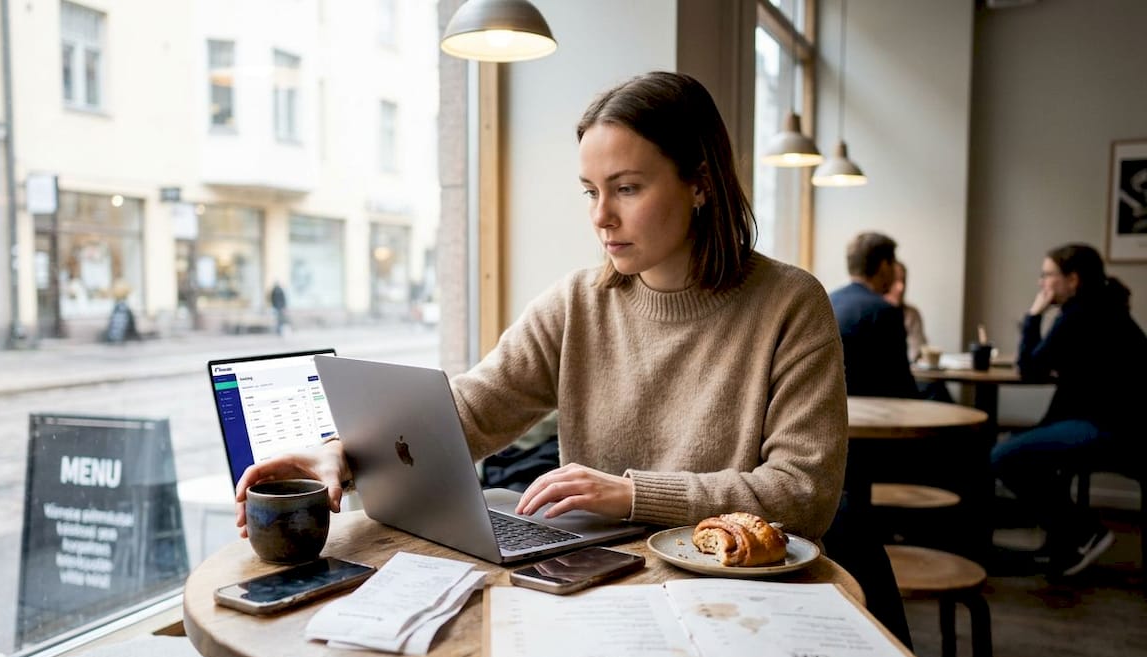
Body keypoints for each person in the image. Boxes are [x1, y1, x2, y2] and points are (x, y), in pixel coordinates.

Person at [235, 71, 847, 545]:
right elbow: (472, 409)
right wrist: (340, 453)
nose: (600, 216)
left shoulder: (790, 305)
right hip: (600, 579)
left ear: (701, 183)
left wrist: (633, 496)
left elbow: (803, 493)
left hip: (732, 586)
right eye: (591, 191)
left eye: (627, 189)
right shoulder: (579, 302)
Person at [992, 243, 1147, 577]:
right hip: (1123, 424)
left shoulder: (1080, 314)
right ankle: (1063, 544)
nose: (1042, 283)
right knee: (1031, 448)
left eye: (1048, 275)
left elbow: (1030, 368)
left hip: (1111, 429)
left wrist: (1034, 315)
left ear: (1072, 280)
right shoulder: (1104, 308)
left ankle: (1085, 532)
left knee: (1004, 456)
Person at [829, 233, 918, 398]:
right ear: (884, 266)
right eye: (893, 264)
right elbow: (902, 383)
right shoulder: (886, 311)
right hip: (875, 414)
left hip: (833, 409)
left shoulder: (827, 301)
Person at [885, 261, 952, 403]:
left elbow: (917, 352)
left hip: (911, 377)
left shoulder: (911, 314)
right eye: (896, 281)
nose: (901, 287)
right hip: (885, 383)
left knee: (936, 388)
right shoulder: (873, 312)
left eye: (903, 281)